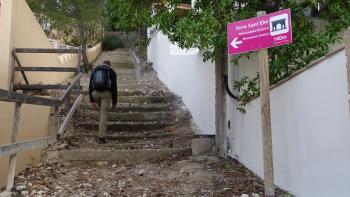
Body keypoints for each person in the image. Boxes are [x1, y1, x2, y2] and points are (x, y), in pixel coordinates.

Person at [89, 60, 117, 144]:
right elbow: (114, 88)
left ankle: (100, 128)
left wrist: (92, 100)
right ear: (109, 65)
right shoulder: (111, 71)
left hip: (95, 94)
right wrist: (114, 102)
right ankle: (101, 138)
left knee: (102, 111)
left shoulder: (95, 70)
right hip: (106, 94)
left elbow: (90, 85)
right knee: (104, 114)